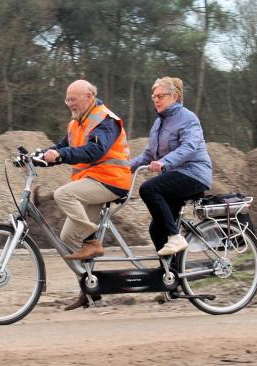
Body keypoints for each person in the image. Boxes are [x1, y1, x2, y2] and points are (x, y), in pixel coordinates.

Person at [42, 79, 132, 310]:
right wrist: (38, 156)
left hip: (112, 181)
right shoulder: (75, 124)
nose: (69, 103)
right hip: (91, 183)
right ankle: (89, 288)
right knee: (68, 239)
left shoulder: (105, 119)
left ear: (89, 96)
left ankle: (92, 240)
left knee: (63, 194)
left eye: (74, 99)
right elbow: (62, 148)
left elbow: (95, 150)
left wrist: (60, 156)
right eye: (67, 99)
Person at [130, 77, 212, 256]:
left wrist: (164, 163)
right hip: (176, 176)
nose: (156, 100)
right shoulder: (159, 123)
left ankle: (175, 237)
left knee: (149, 189)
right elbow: (148, 154)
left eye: (160, 96)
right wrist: (124, 168)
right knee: (156, 230)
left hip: (194, 173)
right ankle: (172, 277)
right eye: (154, 97)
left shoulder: (188, 118)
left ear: (174, 97)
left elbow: (189, 146)